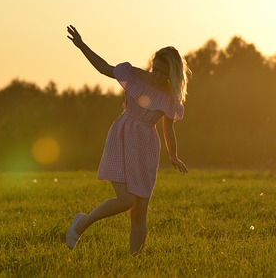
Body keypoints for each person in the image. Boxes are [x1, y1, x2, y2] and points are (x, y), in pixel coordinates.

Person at [65, 25, 190, 254]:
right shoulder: (132, 74)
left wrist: (173, 155)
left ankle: (135, 261)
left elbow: (168, 128)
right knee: (125, 200)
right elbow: (104, 68)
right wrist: (82, 45)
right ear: (152, 63)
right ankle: (81, 223)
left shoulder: (170, 98)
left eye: (165, 73)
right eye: (157, 69)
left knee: (139, 211)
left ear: (173, 74)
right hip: (123, 135)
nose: (159, 76)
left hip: (147, 146)